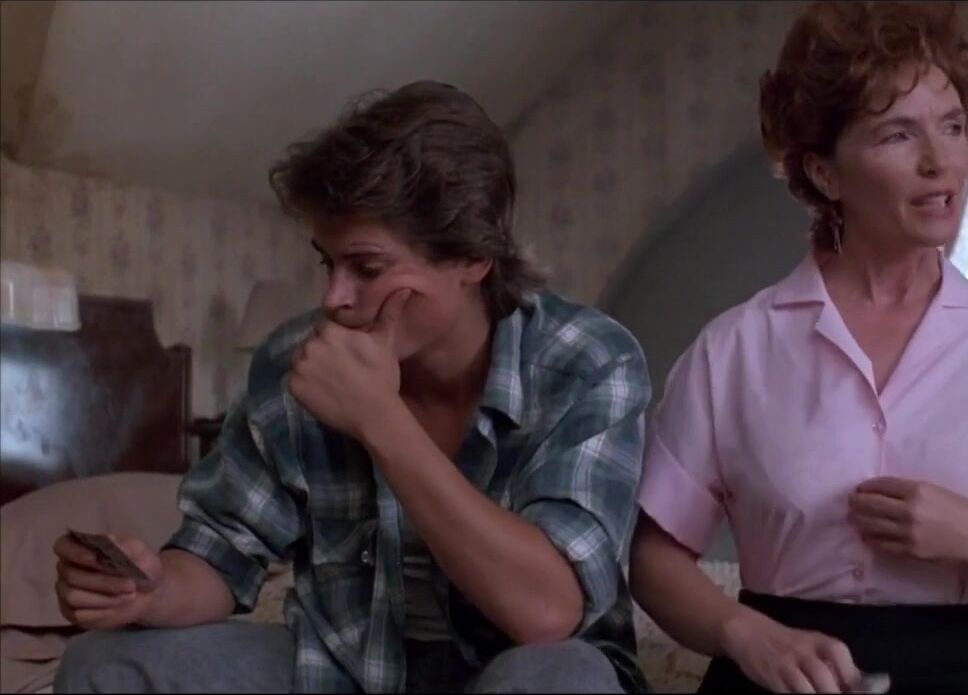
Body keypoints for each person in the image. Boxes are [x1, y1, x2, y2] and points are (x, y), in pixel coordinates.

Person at [52, 80, 652, 694]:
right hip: (344, 671)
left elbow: (547, 613)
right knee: (103, 664)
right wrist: (149, 591)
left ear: (473, 258)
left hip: (521, 670)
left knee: (561, 678)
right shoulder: (296, 359)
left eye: (367, 268)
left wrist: (380, 419)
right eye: (327, 262)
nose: (334, 297)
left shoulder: (587, 360)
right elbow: (220, 553)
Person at [628, 3, 968, 693]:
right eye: (898, 134)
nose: (940, 162)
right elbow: (655, 561)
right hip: (778, 678)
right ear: (825, 173)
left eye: (952, 126)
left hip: (964, 678)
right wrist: (743, 634)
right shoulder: (733, 351)